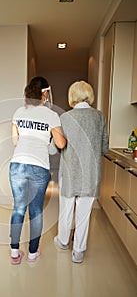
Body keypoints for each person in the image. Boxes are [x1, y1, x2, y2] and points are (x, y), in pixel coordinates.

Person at [9, 76, 66, 264]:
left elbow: (15, 141)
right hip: (39, 166)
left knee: (18, 208)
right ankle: (33, 253)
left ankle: (15, 253)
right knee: (36, 211)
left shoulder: (18, 112)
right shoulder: (51, 115)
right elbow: (60, 143)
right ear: (45, 93)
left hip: (17, 163)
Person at [54, 80, 108, 263]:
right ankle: (78, 251)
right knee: (84, 213)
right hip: (91, 173)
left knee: (66, 209)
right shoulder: (99, 117)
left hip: (70, 172)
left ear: (72, 97)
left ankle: (62, 241)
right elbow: (104, 148)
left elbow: (58, 147)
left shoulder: (65, 118)